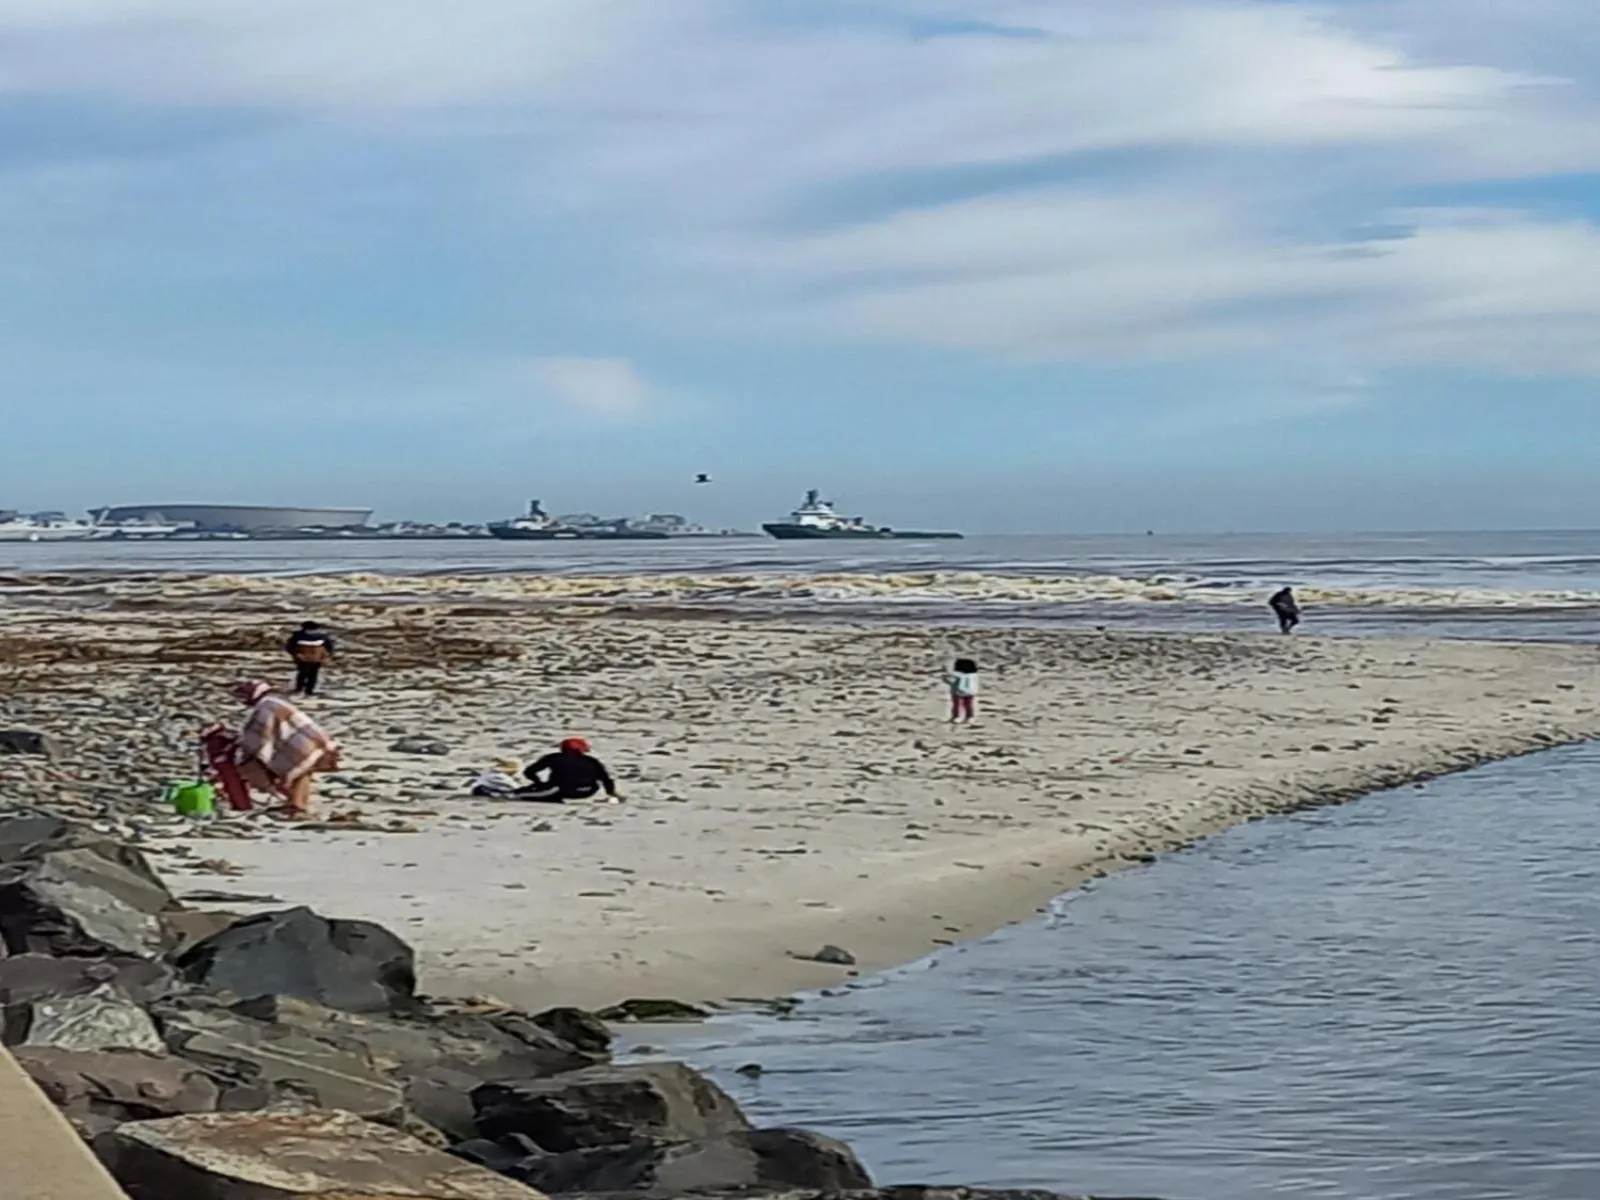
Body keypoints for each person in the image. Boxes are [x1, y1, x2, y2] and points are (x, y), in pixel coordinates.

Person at [230, 679, 341, 820]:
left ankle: (297, 806)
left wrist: (244, 753)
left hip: (303, 744)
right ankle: (298, 804)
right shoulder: (274, 702)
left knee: (298, 771)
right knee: (302, 772)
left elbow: (260, 736)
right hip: (315, 741)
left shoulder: (265, 707)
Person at [518, 737, 618, 803]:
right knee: (553, 791)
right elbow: (605, 779)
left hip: (562, 789)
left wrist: (539, 782)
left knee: (522, 795)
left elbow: (529, 772)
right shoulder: (592, 761)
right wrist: (611, 793)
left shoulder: (554, 758)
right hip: (588, 790)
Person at [284, 621, 337, 697]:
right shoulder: (298, 636)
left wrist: (327, 657)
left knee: (312, 675)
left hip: (315, 660)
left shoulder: (322, 636)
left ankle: (308, 691)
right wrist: (297, 654)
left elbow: (330, 647)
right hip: (304, 660)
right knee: (304, 674)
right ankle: (300, 690)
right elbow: (289, 647)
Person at [946, 657, 980, 723]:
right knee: (967, 704)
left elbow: (952, 681)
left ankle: (957, 716)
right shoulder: (973, 675)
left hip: (958, 690)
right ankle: (968, 716)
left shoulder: (958, 674)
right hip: (968, 691)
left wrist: (945, 678)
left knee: (957, 704)